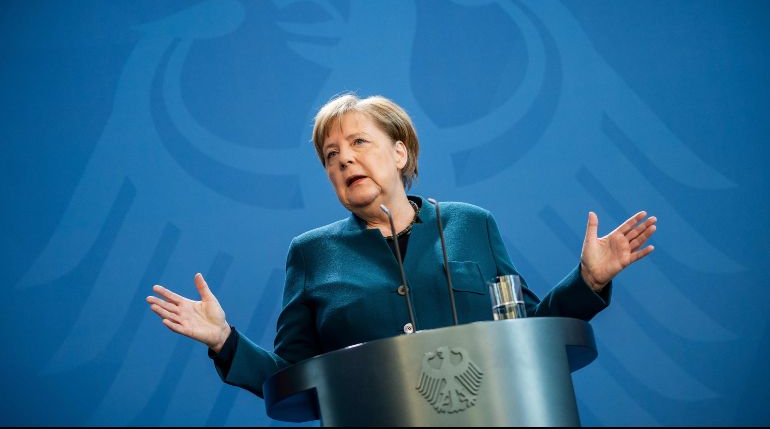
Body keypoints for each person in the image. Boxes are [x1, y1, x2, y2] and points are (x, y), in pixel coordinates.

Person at [146, 93, 657, 399]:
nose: (344, 160)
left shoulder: (472, 224)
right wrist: (225, 340)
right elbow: (293, 376)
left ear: (399, 152)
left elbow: (525, 331)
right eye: (330, 155)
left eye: (358, 143)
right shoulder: (311, 254)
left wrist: (589, 281)